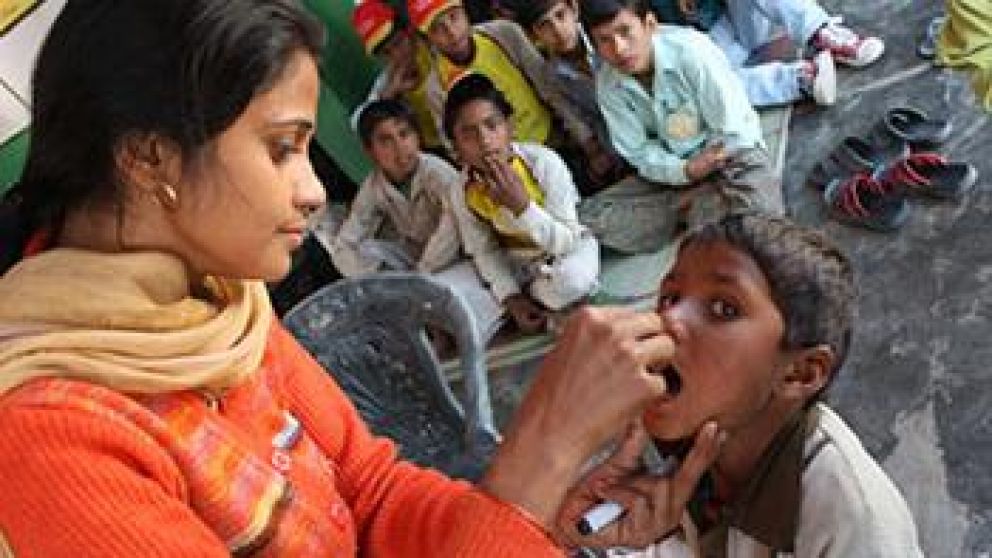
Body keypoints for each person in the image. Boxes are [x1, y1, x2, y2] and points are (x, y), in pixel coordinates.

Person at [0, 1, 724, 555]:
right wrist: (543, 451)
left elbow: (374, 497)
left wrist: (541, 510)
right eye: (283, 149)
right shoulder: (53, 440)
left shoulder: (221, 307)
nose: (314, 191)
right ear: (150, 159)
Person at [555, 213, 925, 557]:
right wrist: (565, 532)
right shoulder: (689, 460)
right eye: (670, 297)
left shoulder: (856, 524)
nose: (667, 319)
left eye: (724, 309)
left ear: (801, 373)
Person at [581, 0, 782, 242]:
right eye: (605, 40)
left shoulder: (691, 50)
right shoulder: (608, 85)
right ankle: (700, 205)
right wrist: (683, 171)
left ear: (649, 24)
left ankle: (698, 208)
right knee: (588, 216)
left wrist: (708, 163)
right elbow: (637, 151)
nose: (619, 48)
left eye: (625, 31)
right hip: (675, 173)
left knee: (762, 223)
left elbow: (732, 127)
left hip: (727, 158)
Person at [327, 98, 503, 340]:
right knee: (366, 250)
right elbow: (345, 245)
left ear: (417, 137)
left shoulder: (436, 173)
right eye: (386, 141)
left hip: (463, 257)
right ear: (370, 151)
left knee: (444, 298)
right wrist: (388, 285)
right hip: (418, 264)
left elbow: (451, 232)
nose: (400, 147)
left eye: (404, 134)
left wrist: (420, 275)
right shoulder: (374, 186)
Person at [443, 73, 600, 334]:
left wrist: (522, 207)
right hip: (518, 267)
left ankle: (538, 300)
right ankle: (528, 303)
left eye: (492, 125)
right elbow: (484, 251)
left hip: (564, 252)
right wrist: (510, 297)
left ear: (510, 127)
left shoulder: (542, 162)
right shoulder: (461, 191)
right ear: (456, 147)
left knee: (574, 280)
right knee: (445, 291)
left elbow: (567, 240)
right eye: (469, 134)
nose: (484, 141)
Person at [405, 0, 606, 171]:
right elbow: (455, 146)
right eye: (438, 28)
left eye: (454, 17)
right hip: (508, 168)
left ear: (466, 14)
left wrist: (588, 143)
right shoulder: (436, 86)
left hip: (554, 141)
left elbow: (550, 90)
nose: (450, 31)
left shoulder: (503, 34)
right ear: (427, 39)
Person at [648, 0, 885, 107]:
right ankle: (801, 80)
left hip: (743, 23)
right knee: (705, 87)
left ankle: (821, 34)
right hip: (706, 48)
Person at [502, 0, 630, 195]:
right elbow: (573, 116)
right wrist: (594, 150)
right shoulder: (552, 74)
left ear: (574, 10)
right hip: (616, 144)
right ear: (533, 36)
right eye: (545, 26)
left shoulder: (607, 35)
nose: (557, 30)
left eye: (560, 15)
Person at [350, 0, 446, 155]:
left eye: (398, 43)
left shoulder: (435, 47)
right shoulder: (389, 80)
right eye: (386, 53)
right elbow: (358, 124)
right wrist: (389, 95)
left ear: (410, 33)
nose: (396, 55)